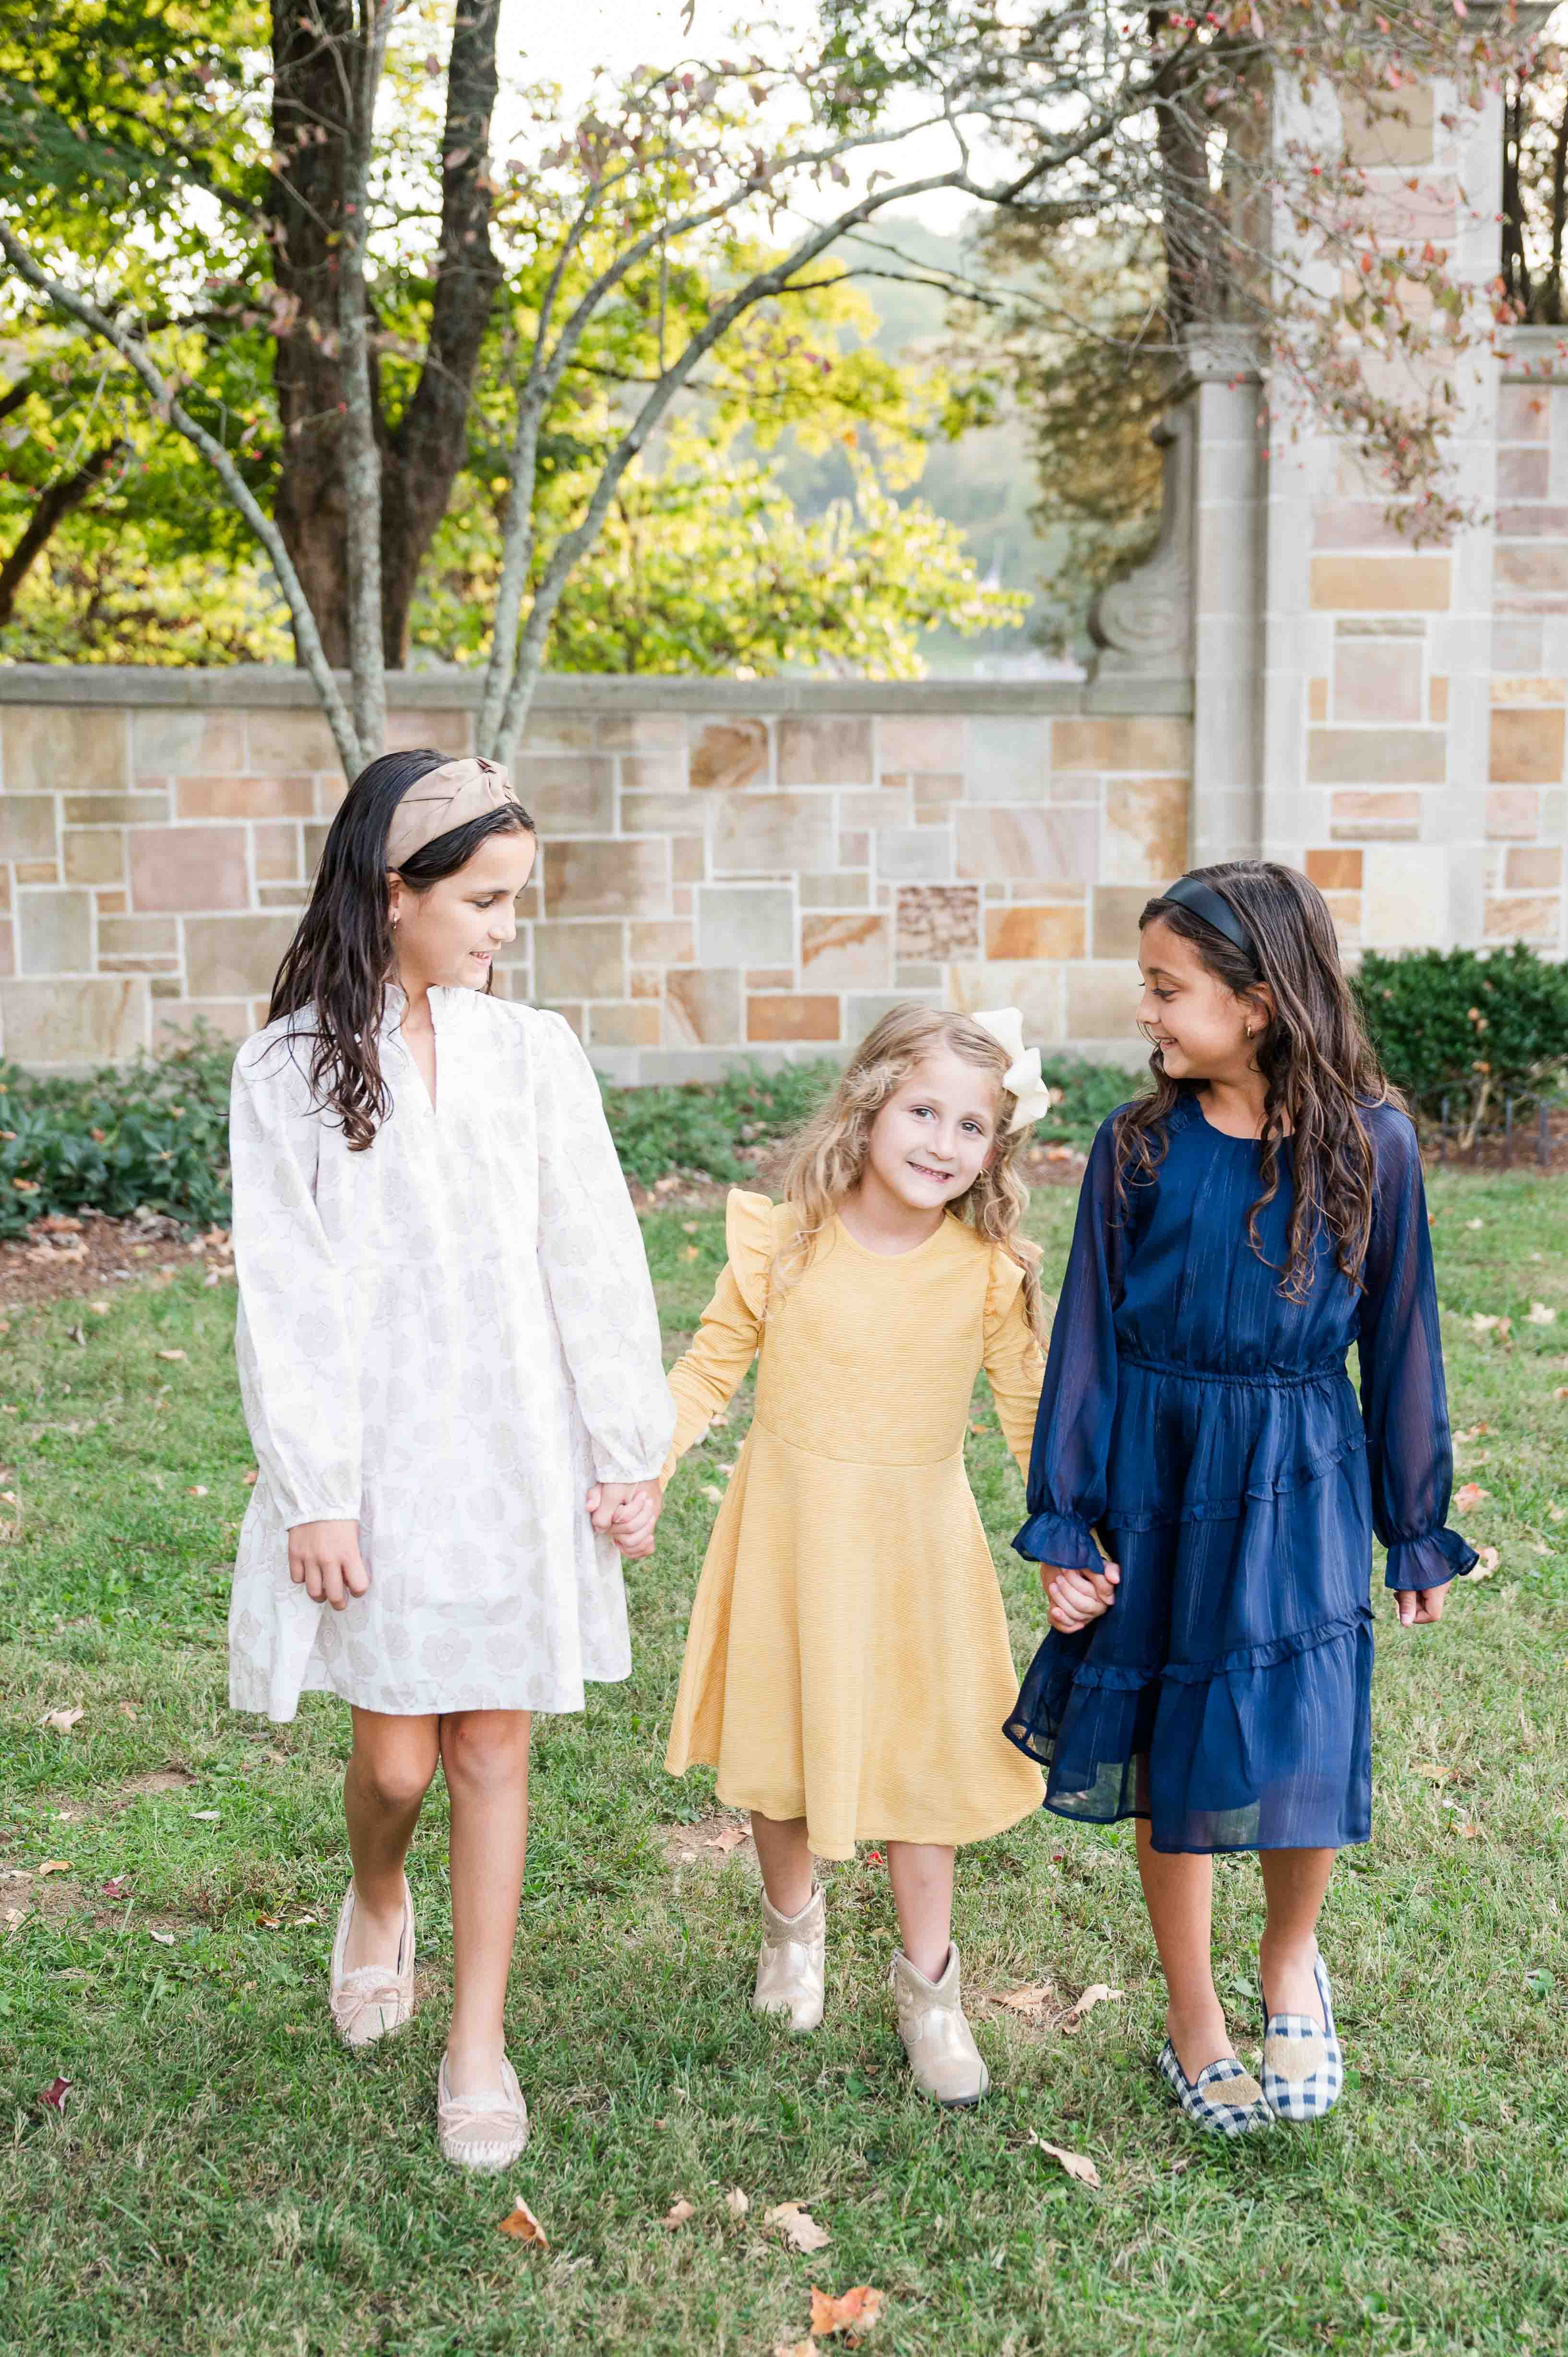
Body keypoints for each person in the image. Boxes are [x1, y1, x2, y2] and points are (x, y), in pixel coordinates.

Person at [226, 749, 672, 2170]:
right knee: (399, 1764)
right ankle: (374, 1891)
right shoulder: (289, 1068)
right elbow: (285, 1291)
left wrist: (623, 1446)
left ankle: (477, 2038)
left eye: (512, 902)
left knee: (488, 1745)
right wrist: (318, 1491)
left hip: (515, 1445)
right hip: (379, 1452)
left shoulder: (533, 1054)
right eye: (480, 900)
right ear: (391, 891)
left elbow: (593, 1252)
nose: (500, 928)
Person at [1006, 861, 1473, 2135]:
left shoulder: (1371, 1143)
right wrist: (1067, 1517)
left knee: (1294, 1729)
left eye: (1168, 989)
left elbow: (1401, 1333)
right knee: (1174, 1735)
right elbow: (1087, 1344)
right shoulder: (1137, 1146)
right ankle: (1191, 2012)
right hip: (1160, 1469)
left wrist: (1412, 1525)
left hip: (1299, 1468)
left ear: (1257, 1002)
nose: (1147, 1012)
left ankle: (1286, 1962)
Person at [659, 1004, 1053, 2106]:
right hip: (790, 1530)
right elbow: (706, 1370)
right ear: (870, 1101)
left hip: (917, 1547)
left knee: (923, 1756)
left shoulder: (986, 1272)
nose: (941, 1142)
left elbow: (1031, 1418)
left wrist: (1068, 1533)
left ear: (995, 1147)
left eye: (970, 1126)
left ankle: (930, 1987)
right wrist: (642, 1457)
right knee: (780, 1731)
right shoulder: (784, 1239)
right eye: (922, 1110)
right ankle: (792, 1928)